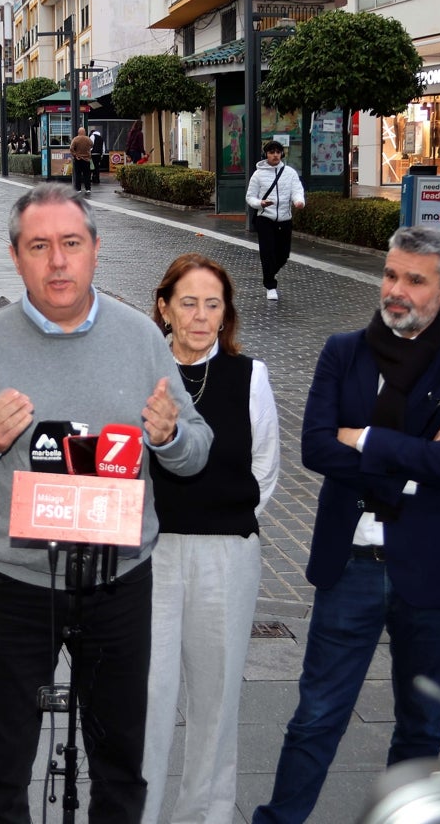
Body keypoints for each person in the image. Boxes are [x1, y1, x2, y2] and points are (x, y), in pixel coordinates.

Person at [0, 183, 213, 823]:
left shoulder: (141, 338)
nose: (57, 262)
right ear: (16, 256)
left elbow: (196, 452)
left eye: (71, 244)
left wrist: (169, 438)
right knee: (2, 765)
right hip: (17, 590)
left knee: (120, 765)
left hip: (120, 586)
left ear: (96, 252)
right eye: (39, 246)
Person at [252, 226, 440, 824]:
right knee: (316, 717)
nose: (396, 290)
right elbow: (314, 448)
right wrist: (412, 456)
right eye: (390, 275)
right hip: (350, 564)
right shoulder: (343, 351)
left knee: (420, 727)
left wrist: (364, 440)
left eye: (415, 280)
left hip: (435, 571)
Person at [142, 254, 280, 824]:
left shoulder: (250, 377)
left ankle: (205, 815)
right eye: (189, 303)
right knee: (145, 698)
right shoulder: (140, 374)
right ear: (164, 308)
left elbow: (263, 468)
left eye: (214, 305)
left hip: (226, 555)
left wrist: (223, 517)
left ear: (227, 315)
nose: (201, 317)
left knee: (216, 700)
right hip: (149, 555)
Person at [245, 140, 305, 301]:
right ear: (266, 155)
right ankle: (270, 286)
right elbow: (250, 197)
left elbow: (297, 190)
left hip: (285, 219)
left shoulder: (290, 173)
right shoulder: (258, 174)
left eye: (278, 152)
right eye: (272, 152)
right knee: (267, 252)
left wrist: (299, 201)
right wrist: (260, 203)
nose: (275, 155)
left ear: (282, 154)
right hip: (265, 218)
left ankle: (270, 273)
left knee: (283, 254)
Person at [70, 126, 93, 193]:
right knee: (87, 175)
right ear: (84, 132)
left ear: (78, 132)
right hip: (86, 159)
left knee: (78, 174)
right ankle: (88, 188)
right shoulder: (88, 139)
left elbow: (71, 148)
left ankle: (78, 189)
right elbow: (92, 145)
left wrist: (75, 155)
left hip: (78, 159)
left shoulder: (75, 139)